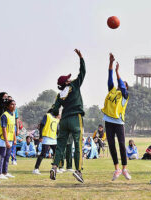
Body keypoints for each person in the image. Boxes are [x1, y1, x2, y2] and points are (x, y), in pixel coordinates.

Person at [49, 49, 86, 183]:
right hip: (76, 118)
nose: (70, 78)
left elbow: (54, 110)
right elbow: (82, 72)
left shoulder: (59, 95)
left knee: (60, 145)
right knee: (78, 145)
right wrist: (81, 58)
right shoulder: (74, 85)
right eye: (68, 78)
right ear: (66, 82)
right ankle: (78, 171)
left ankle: (54, 167)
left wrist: (57, 114)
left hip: (64, 120)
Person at [101, 53, 131, 181]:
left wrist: (118, 72)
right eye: (120, 83)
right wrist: (111, 63)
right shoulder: (112, 90)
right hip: (108, 121)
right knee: (112, 146)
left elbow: (120, 82)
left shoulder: (125, 95)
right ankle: (117, 169)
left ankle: (124, 169)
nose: (120, 84)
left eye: (123, 84)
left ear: (125, 87)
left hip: (119, 122)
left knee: (122, 144)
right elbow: (109, 77)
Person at [0, 99, 17, 179]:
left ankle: (5, 172)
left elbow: (13, 128)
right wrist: (6, 141)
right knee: (2, 155)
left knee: (7, 156)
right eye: (12, 104)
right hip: (2, 139)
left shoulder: (13, 115)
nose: (14, 106)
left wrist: (15, 139)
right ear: (7, 106)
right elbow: (4, 129)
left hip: (10, 139)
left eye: (15, 104)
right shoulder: (4, 115)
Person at [33, 110, 59, 175]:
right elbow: (41, 126)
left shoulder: (56, 119)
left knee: (56, 153)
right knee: (43, 154)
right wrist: (41, 136)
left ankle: (55, 167)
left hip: (53, 138)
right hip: (46, 137)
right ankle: (36, 169)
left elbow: (57, 129)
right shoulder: (47, 115)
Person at [8, 96, 20, 165]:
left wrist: (18, 129)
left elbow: (17, 120)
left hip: (13, 128)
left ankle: (13, 159)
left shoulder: (15, 110)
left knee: (13, 144)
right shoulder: (4, 109)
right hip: (6, 128)